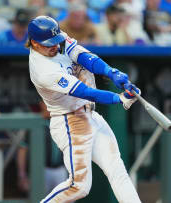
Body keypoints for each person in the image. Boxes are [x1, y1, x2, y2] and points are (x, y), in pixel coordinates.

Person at [26, 16, 141, 202]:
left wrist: (111, 72)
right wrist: (118, 99)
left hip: (90, 114)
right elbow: (85, 92)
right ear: (34, 43)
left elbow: (83, 56)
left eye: (56, 41)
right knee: (79, 186)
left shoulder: (57, 40)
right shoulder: (43, 69)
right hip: (70, 121)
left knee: (117, 169)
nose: (55, 46)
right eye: (49, 44)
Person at [16, 101, 68, 195]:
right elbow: (22, 149)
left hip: (61, 170)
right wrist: (22, 175)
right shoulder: (35, 122)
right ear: (41, 104)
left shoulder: (63, 122)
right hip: (41, 170)